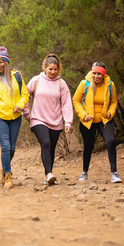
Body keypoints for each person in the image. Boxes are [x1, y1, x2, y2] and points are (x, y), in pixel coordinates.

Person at [0, 46, 29, 189]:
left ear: (7, 62)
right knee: (6, 147)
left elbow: (25, 94)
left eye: (2, 61)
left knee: (12, 148)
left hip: (15, 117)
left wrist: (20, 106)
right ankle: (8, 177)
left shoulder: (17, 76)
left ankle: (4, 168)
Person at [23, 54, 73, 185]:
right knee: (45, 143)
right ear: (45, 67)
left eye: (55, 69)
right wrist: (27, 114)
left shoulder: (61, 84)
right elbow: (25, 96)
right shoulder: (36, 80)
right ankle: (49, 173)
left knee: (51, 148)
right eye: (50, 69)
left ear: (59, 69)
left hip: (55, 120)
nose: (53, 72)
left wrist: (68, 121)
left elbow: (66, 103)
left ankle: (47, 175)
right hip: (38, 118)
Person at [72, 62, 121, 183]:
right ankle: (85, 172)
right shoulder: (85, 84)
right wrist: (84, 115)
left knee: (110, 141)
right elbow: (76, 101)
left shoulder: (110, 85)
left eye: (99, 74)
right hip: (88, 121)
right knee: (88, 146)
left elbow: (114, 101)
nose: (96, 76)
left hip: (103, 120)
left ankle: (114, 173)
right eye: (94, 73)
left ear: (103, 74)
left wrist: (110, 112)